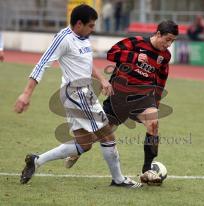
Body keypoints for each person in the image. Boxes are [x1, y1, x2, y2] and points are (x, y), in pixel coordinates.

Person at [14, 4, 142, 188]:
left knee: (84, 144)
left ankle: (36, 161)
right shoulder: (63, 38)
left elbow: (87, 63)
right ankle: (119, 180)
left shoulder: (83, 38)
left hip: (81, 93)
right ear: (79, 23)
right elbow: (42, 64)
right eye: (90, 26)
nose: (93, 29)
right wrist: (26, 93)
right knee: (107, 136)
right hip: (77, 93)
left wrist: (102, 80)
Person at [65, 20, 179, 185]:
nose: (169, 44)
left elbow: (161, 80)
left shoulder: (165, 57)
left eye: (173, 41)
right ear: (158, 34)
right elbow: (111, 53)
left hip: (143, 97)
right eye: (167, 39)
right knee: (102, 134)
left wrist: (157, 101)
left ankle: (147, 170)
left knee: (153, 124)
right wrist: (134, 56)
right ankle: (77, 150)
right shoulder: (136, 42)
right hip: (119, 96)